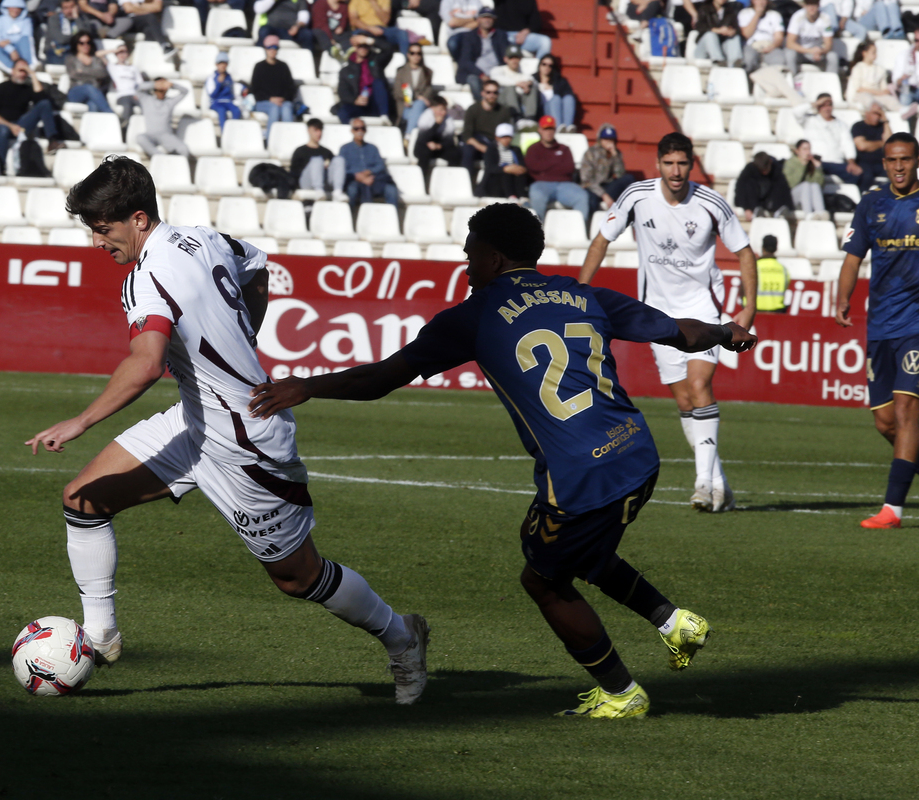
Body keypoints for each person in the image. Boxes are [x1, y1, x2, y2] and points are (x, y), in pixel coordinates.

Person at [249, 202, 758, 719]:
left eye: (470, 254)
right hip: (638, 453)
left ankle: (621, 693)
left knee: (543, 579)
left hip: (581, 474)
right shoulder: (583, 294)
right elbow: (681, 332)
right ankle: (674, 622)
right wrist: (726, 332)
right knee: (580, 551)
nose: (466, 265)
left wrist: (307, 386)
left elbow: (379, 379)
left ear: (492, 259)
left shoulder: (474, 315)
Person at [26, 156, 431, 705]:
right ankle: (100, 635)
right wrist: (243, 339)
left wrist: (79, 421)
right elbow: (257, 267)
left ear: (139, 219)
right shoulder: (202, 238)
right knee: (83, 499)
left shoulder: (146, 278)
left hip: (247, 442)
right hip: (196, 418)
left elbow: (145, 364)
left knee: (298, 577)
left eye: (104, 228)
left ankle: (402, 636)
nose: (98, 241)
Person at [579, 132, 758, 513]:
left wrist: (749, 306)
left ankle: (703, 485)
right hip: (658, 314)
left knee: (699, 385)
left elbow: (744, 252)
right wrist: (579, 292)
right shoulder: (636, 196)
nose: (676, 172)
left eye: (682, 164)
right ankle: (721, 484)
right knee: (683, 400)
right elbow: (600, 241)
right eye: (669, 164)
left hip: (704, 310)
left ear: (691, 165)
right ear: (658, 164)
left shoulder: (710, 203)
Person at [838, 132, 919, 527]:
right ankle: (908, 469)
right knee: (885, 421)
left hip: (915, 326)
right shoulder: (871, 204)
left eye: (906, 159)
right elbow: (853, 258)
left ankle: (892, 509)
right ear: (884, 164)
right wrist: (842, 299)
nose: (899, 167)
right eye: (892, 161)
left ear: (916, 160)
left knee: (907, 409)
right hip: (880, 325)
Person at [0, 61, 66, 166]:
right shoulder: (1, 87)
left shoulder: (27, 88)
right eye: (20, 70)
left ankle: (52, 141)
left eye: (25, 71)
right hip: (2, 125)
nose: (23, 74)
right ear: (12, 71)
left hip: (21, 125)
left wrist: (32, 74)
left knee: (45, 103)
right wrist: (10, 126)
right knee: (3, 130)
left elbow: (42, 99)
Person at [525, 115, 589, 224]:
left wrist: (544, 167)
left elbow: (569, 168)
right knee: (537, 195)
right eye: (546, 129)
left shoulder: (564, 149)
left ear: (555, 130)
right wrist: (556, 162)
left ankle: (578, 230)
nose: (548, 132)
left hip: (565, 185)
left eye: (551, 129)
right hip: (541, 184)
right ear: (540, 130)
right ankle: (537, 232)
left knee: (582, 197)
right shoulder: (533, 149)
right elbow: (533, 166)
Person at [793, 93, 864, 189]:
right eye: (823, 105)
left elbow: (847, 144)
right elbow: (796, 112)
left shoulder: (841, 125)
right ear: (818, 106)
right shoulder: (809, 120)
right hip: (816, 162)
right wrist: (815, 103)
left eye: (829, 104)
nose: (827, 108)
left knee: (859, 174)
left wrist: (851, 162)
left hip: (837, 163)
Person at [339, 118, 399, 214]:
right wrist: (358, 176)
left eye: (362, 128)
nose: (360, 131)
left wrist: (369, 172)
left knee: (391, 190)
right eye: (356, 128)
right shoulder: (344, 149)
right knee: (352, 190)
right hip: (354, 180)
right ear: (352, 131)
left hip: (373, 179)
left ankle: (392, 219)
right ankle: (349, 219)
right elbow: (342, 169)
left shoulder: (373, 148)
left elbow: (380, 165)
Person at [335, 34, 393, 124]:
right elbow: (342, 91)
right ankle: (355, 132)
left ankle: (384, 116)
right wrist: (355, 100)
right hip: (357, 103)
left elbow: (389, 49)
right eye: (360, 46)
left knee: (378, 82)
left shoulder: (376, 61)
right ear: (355, 47)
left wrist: (368, 40)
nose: (363, 48)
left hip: (375, 102)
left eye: (366, 45)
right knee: (343, 112)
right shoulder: (346, 70)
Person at [580, 123, 636, 215]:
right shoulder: (591, 153)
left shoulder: (615, 153)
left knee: (629, 179)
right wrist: (603, 195)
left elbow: (620, 175)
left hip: (607, 186)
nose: (608, 142)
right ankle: (592, 225)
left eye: (611, 140)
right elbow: (586, 180)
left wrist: (615, 157)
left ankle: (629, 215)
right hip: (593, 188)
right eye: (605, 139)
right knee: (591, 202)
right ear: (600, 139)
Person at [455, 7, 507, 101]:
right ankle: (482, 106)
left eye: (490, 17)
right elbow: (465, 61)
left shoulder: (501, 35)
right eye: (484, 17)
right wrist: (481, 75)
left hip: (496, 73)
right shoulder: (469, 36)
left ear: (494, 19)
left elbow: (505, 56)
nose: (487, 20)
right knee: (472, 80)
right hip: (477, 73)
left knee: (507, 83)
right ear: (478, 19)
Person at [80, 0, 172, 53]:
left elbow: (157, 7)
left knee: (147, 27)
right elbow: (129, 9)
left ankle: (151, 54)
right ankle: (163, 46)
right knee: (147, 18)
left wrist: (109, 14)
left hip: (110, 19)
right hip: (93, 19)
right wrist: (101, 15)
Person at [459, 79, 511, 172]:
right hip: (476, 143)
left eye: (495, 92)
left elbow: (506, 134)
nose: (492, 95)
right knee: (467, 150)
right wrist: (482, 148)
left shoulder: (503, 111)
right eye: (488, 92)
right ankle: (466, 181)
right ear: (482, 93)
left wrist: (491, 149)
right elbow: (467, 135)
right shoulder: (473, 109)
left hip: (494, 144)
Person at [251, 36, 296, 140]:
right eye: (269, 47)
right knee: (274, 109)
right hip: (263, 102)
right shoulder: (259, 67)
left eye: (275, 47)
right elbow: (255, 89)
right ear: (265, 49)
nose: (272, 50)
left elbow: (291, 88)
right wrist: (270, 99)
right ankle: (271, 140)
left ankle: (289, 139)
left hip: (283, 101)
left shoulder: (283, 67)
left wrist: (283, 98)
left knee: (287, 109)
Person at [134, 77, 189, 156]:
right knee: (140, 138)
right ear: (154, 89)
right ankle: (160, 157)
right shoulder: (146, 99)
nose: (161, 92)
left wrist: (172, 85)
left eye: (164, 89)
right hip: (150, 135)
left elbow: (185, 91)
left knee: (183, 149)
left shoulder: (170, 102)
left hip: (166, 136)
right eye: (159, 89)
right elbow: (138, 88)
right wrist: (154, 84)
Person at [736, 149, 794, 219]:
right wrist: (746, 208)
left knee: (779, 185)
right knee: (749, 184)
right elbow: (740, 189)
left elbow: (784, 188)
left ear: (770, 162)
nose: (764, 172)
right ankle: (755, 210)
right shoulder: (749, 169)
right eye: (762, 170)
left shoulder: (776, 169)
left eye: (766, 169)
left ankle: (779, 209)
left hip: (769, 201)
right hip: (755, 200)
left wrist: (788, 205)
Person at [392, 43, 436, 136]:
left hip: (421, 106)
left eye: (418, 53)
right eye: (413, 53)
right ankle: (410, 136)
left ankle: (408, 135)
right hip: (405, 106)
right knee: (417, 108)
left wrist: (419, 99)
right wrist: (416, 97)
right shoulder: (401, 71)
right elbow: (397, 92)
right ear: (408, 55)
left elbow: (428, 90)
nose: (416, 56)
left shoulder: (428, 72)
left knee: (419, 105)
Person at [291, 117, 342, 195]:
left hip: (325, 182)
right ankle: (318, 190)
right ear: (309, 131)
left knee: (339, 159)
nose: (319, 133)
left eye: (320, 130)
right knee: (317, 160)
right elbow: (295, 173)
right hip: (306, 183)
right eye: (316, 130)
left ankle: (338, 191)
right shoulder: (300, 151)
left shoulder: (327, 152)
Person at [785, 0, 839, 75]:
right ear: (804, 6)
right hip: (801, 52)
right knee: (790, 53)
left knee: (833, 56)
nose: (811, 8)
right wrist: (809, 50)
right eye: (809, 5)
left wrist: (821, 51)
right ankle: (791, 79)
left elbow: (829, 44)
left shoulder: (825, 18)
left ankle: (830, 82)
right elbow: (789, 43)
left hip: (818, 53)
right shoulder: (797, 17)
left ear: (818, 5)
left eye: (814, 4)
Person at [848, 41, 901, 112]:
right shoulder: (858, 68)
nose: (876, 55)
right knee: (867, 98)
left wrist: (883, 92)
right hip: (861, 96)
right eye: (873, 52)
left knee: (890, 99)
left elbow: (884, 88)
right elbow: (858, 88)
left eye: (876, 52)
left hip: (877, 96)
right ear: (864, 53)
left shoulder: (880, 69)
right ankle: (875, 111)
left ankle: (903, 110)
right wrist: (877, 92)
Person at [66, 34, 112, 113]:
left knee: (93, 104)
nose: (85, 45)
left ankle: (93, 125)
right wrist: (94, 75)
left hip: (94, 92)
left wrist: (82, 71)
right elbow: (73, 74)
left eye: (88, 42)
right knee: (88, 88)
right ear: (76, 44)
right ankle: (111, 115)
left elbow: (103, 73)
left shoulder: (96, 59)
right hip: (76, 92)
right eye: (81, 43)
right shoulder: (71, 58)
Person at [478, 122, 525, 199]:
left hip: (512, 180)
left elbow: (522, 165)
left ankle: (522, 196)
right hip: (495, 184)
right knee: (504, 173)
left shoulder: (516, 150)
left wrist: (519, 169)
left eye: (508, 137)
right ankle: (510, 196)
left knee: (519, 173)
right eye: (503, 137)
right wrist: (506, 169)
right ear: (497, 137)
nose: (506, 139)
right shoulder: (491, 150)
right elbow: (490, 167)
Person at [491, 45, 538, 121]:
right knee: (510, 89)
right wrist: (517, 83)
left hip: (520, 100)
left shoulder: (522, 73)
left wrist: (528, 83)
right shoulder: (498, 70)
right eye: (511, 58)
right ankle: (516, 117)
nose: (514, 61)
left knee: (532, 88)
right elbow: (495, 78)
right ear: (505, 59)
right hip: (502, 102)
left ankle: (530, 118)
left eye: (517, 58)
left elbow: (531, 79)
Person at [415, 95, 456, 180]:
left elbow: (450, 141)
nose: (443, 113)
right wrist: (436, 125)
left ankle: (450, 180)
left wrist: (439, 146)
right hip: (423, 146)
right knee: (424, 153)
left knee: (456, 154)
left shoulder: (448, 120)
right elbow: (422, 139)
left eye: (444, 110)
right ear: (433, 108)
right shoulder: (425, 118)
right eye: (440, 110)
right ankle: (421, 180)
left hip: (439, 147)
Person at [0, 0, 35, 72]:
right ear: (7, 7)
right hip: (5, 51)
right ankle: (12, 70)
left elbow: (26, 37)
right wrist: (11, 49)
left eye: (18, 8)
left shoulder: (27, 21)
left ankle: (30, 66)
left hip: (22, 49)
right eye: (13, 7)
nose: (15, 10)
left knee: (26, 40)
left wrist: (9, 41)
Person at [852, 103, 891, 190]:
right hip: (864, 163)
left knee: (895, 175)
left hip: (881, 163)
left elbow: (889, 143)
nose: (877, 117)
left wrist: (885, 120)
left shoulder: (882, 127)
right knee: (866, 177)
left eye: (879, 114)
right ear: (867, 113)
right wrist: (882, 143)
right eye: (874, 113)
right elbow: (862, 146)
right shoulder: (858, 126)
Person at [739, 0, 786, 71]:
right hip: (751, 45)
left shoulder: (775, 15)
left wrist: (771, 47)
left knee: (780, 60)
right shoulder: (745, 13)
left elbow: (779, 37)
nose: (761, 2)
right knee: (748, 60)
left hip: (770, 46)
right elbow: (746, 34)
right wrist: (757, 14)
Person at [695, 0, 743, 67]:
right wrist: (717, 30)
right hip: (704, 48)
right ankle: (718, 61)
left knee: (734, 38)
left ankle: (735, 63)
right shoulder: (704, 9)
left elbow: (737, 28)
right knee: (710, 35)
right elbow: (699, 27)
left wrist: (732, 31)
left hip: (722, 45)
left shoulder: (730, 11)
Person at [535, 55, 576, 132]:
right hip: (541, 111)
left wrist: (553, 88)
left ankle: (568, 127)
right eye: (544, 64)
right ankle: (558, 127)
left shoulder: (559, 81)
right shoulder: (533, 80)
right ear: (539, 65)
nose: (547, 67)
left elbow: (568, 93)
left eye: (550, 65)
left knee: (569, 98)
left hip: (557, 110)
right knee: (555, 99)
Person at [44, 0, 92, 65]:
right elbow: (61, 40)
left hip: (77, 53)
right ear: (61, 9)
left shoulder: (82, 19)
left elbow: (85, 37)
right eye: (66, 8)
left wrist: (77, 19)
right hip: (57, 53)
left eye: (72, 7)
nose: (69, 11)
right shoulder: (54, 19)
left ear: (77, 7)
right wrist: (77, 38)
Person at [205, 52, 241, 130]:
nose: (223, 65)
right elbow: (212, 95)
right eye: (221, 63)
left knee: (236, 110)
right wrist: (219, 84)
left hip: (228, 102)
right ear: (216, 64)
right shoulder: (212, 77)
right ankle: (224, 133)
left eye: (225, 63)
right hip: (216, 102)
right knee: (221, 111)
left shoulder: (229, 77)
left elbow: (231, 92)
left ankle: (234, 131)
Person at [106, 42, 141, 122]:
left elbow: (140, 83)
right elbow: (98, 54)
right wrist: (115, 50)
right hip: (123, 95)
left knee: (146, 106)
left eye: (124, 52)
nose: (122, 54)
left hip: (135, 94)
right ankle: (124, 129)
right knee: (127, 107)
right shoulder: (112, 67)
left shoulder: (133, 68)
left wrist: (138, 93)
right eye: (119, 52)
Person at [752, 234, 788, 312]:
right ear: (776, 248)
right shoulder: (783, 270)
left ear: (762, 248)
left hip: (755, 312)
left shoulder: (754, 267)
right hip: (777, 313)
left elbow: (742, 291)